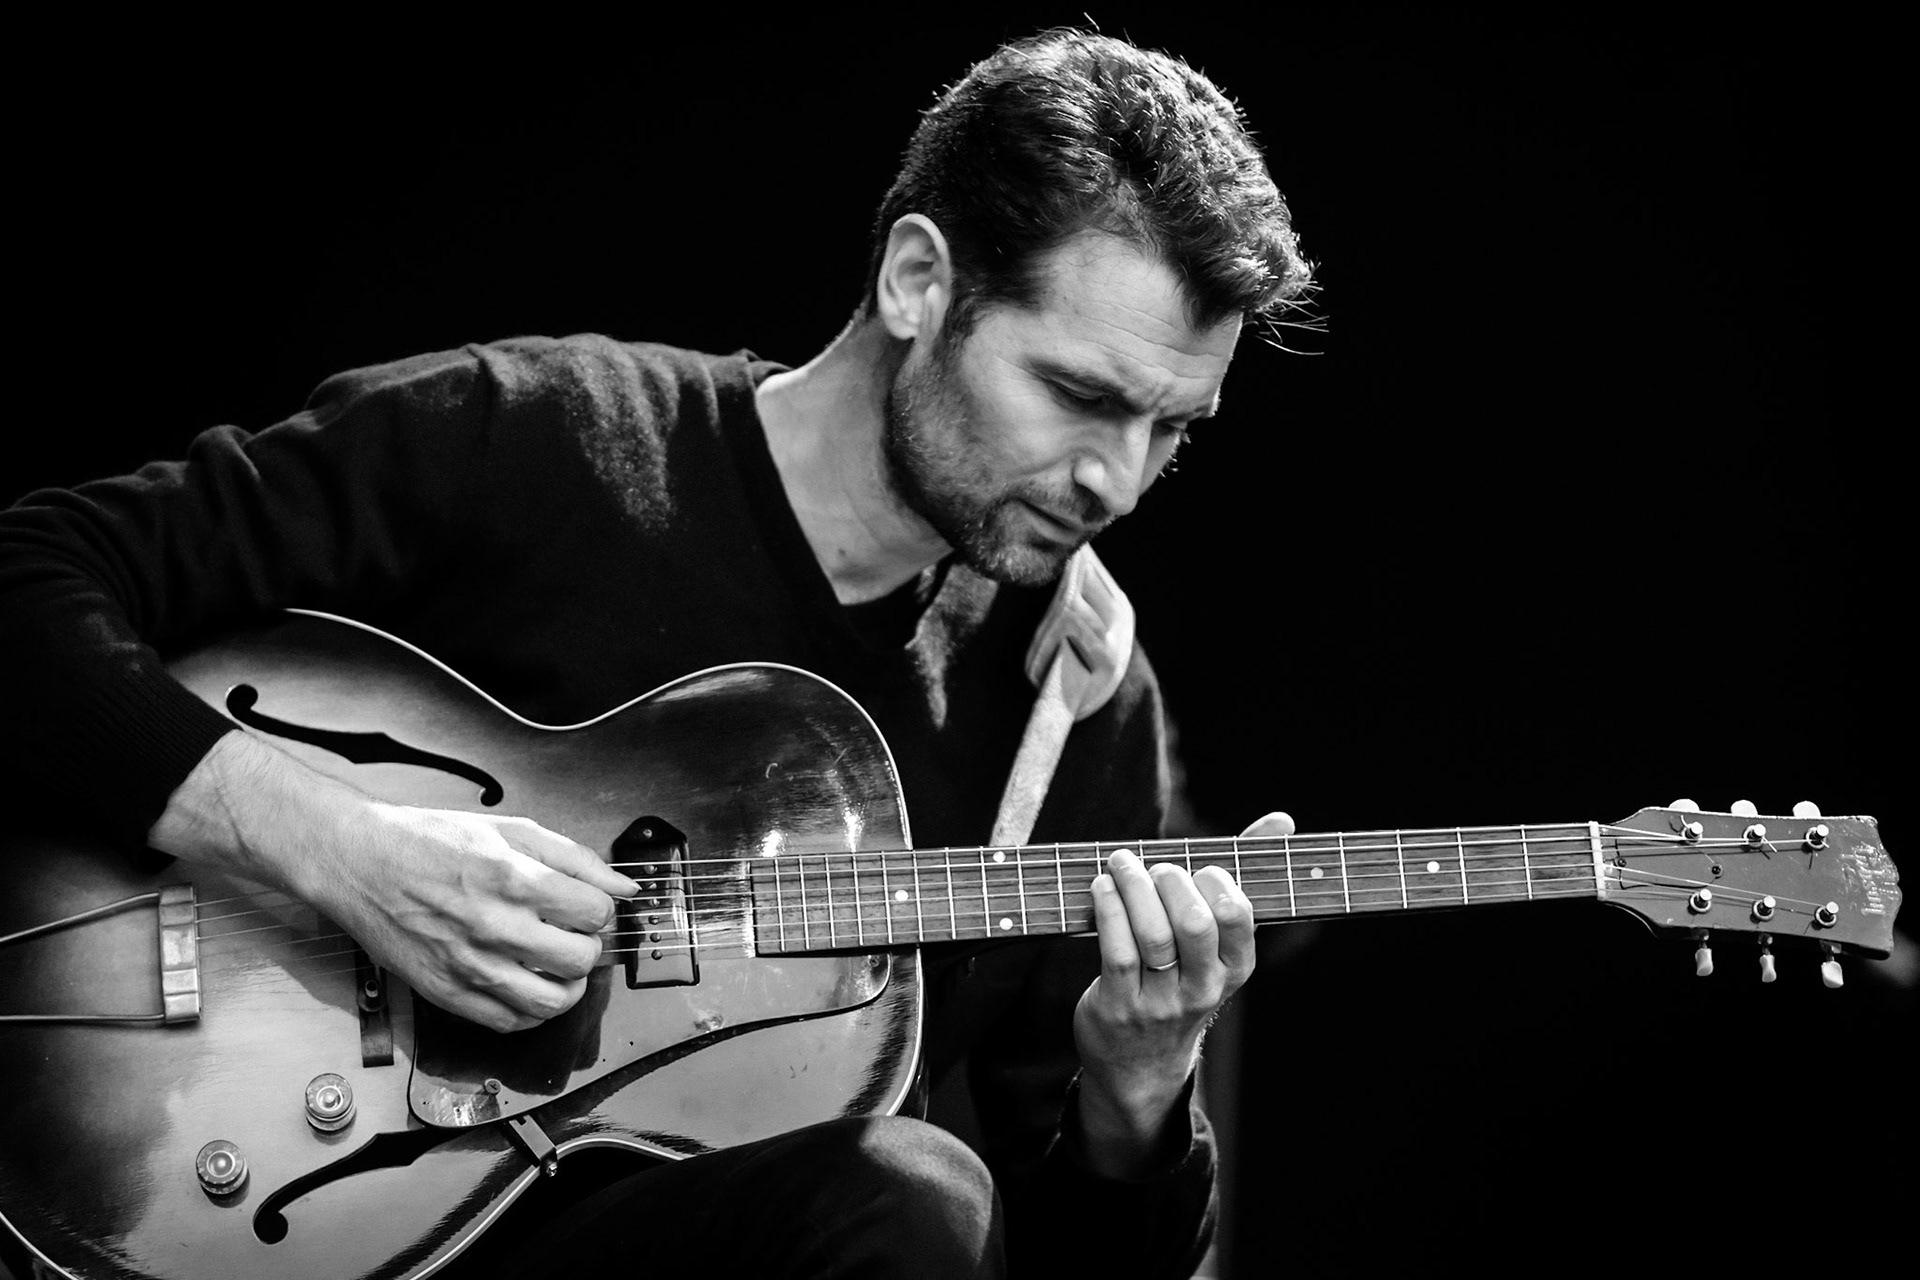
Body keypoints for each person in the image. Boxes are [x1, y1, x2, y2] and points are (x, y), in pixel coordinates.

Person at [0, 29, 1312, 1278]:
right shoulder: (546, 438)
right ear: (920, 282)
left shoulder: (1074, 706)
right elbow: (28, 577)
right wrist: (337, 848)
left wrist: (1142, 1087)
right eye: (1082, 396)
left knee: (918, 1203)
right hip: (268, 1202)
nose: (1118, 480)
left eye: (1172, 430)